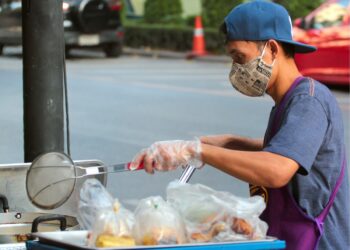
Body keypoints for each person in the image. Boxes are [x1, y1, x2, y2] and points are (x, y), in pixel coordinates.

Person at [130, 1, 350, 249]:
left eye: (240, 57)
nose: (237, 69)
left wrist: (196, 151)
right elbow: (292, 149)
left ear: (272, 49)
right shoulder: (288, 101)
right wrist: (230, 143)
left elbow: (277, 169)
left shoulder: (308, 100)